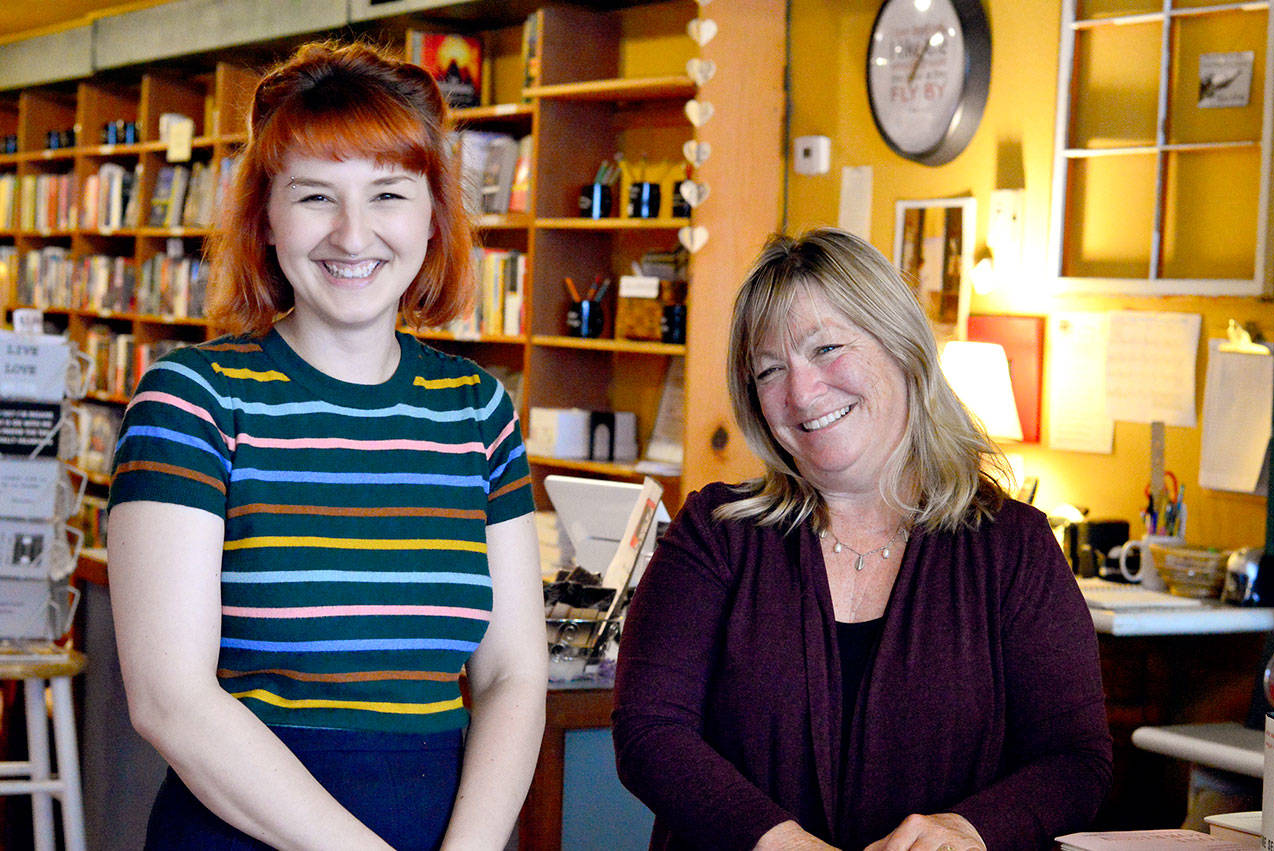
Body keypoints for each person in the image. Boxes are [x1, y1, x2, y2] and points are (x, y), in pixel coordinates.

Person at [107, 41, 546, 850]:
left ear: (431, 216)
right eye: (315, 196)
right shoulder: (192, 401)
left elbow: (514, 675)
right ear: (265, 219)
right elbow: (169, 698)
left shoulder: (477, 410)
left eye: (388, 193)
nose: (353, 234)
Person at [612, 228, 1111, 851]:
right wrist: (778, 842)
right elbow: (650, 731)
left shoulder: (1012, 547)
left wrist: (968, 831)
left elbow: (1075, 760)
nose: (800, 392)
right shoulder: (717, 536)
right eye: (769, 371)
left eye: (826, 349)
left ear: (900, 344)